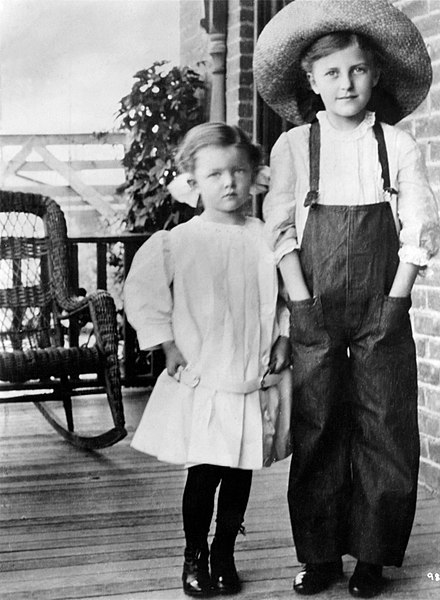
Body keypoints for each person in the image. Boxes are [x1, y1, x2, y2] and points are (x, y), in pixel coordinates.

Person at [254, 0, 440, 597]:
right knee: (318, 423)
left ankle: (372, 556)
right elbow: (279, 229)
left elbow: (420, 228)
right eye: (331, 73)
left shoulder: (396, 144)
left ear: (376, 75)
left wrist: (397, 300)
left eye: (357, 70)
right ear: (310, 82)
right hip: (313, 301)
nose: (346, 83)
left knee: (385, 421)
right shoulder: (292, 147)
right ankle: (320, 556)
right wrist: (300, 302)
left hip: (383, 302)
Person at [124, 122, 291, 597]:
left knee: (239, 471)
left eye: (238, 171)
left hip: (249, 374)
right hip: (204, 373)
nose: (229, 183)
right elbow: (145, 296)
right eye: (215, 174)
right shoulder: (179, 241)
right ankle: (194, 553)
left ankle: (224, 552)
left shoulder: (265, 236)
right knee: (205, 472)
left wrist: (285, 337)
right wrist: (168, 344)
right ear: (193, 181)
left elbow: (283, 297)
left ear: (254, 175)